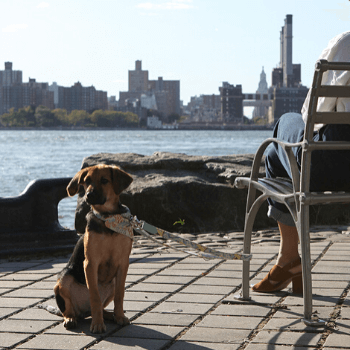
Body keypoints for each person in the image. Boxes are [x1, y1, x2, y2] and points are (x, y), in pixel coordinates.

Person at [252, 31, 350, 293]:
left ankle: (289, 260)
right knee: (278, 155)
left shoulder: (345, 43)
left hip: (332, 165)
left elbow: (315, 112)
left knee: (285, 125)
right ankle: (287, 262)